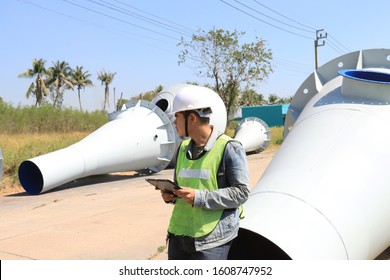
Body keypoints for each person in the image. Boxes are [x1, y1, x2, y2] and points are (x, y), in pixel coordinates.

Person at [160, 84, 250, 260]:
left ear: (192, 118)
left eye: (177, 116)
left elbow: (241, 193)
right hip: (179, 233)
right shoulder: (183, 148)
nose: (173, 122)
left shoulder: (229, 148)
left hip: (211, 241)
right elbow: (183, 186)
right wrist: (171, 195)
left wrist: (199, 197)